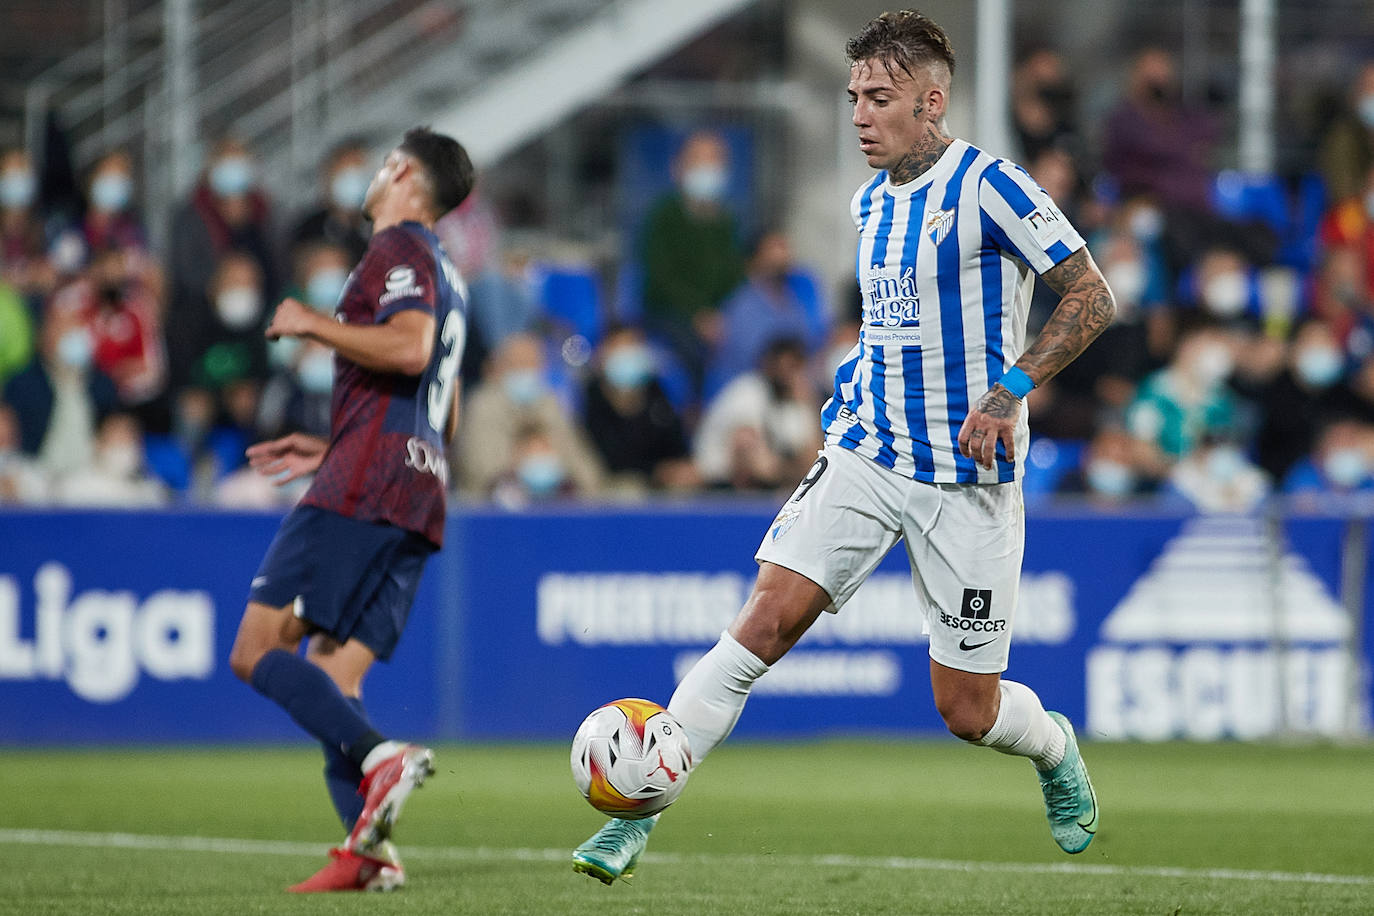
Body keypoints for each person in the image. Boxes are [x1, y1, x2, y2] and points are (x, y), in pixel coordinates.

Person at [572, 10, 1113, 883]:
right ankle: (641, 808)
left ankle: (1053, 749)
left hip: (968, 477)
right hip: (867, 450)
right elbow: (893, 327)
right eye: (853, 95)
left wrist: (1010, 389)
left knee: (966, 710)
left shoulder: (992, 186)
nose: (859, 114)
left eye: (880, 97)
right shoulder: (870, 202)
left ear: (932, 102)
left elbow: (1091, 296)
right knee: (765, 618)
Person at [225, 126, 474, 893]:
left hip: (367, 483)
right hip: (418, 479)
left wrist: (308, 321)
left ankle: (379, 760)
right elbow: (447, 409)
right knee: (335, 674)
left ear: (401, 172)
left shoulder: (397, 247)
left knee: (255, 649)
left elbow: (405, 350)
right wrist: (339, 442)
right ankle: (369, 855)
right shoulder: (451, 274)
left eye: (384, 163)